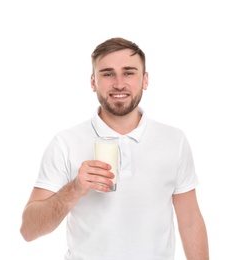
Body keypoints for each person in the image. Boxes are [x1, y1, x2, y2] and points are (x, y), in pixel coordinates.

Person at [20, 37, 209, 259]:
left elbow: (190, 222)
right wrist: (75, 188)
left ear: (145, 80)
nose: (119, 83)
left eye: (129, 72)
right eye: (108, 74)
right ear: (93, 82)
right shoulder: (65, 143)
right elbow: (28, 230)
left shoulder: (174, 140)